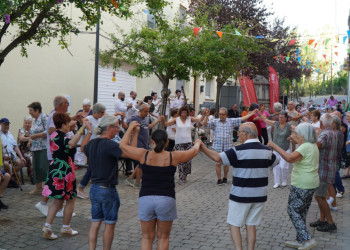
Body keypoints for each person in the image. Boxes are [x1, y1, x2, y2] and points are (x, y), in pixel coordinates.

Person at [120, 125, 201, 250]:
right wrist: (197, 142)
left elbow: (122, 146)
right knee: (163, 237)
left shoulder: (143, 154)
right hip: (166, 199)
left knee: (146, 237)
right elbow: (194, 151)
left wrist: (130, 128)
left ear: (151, 141)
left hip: (146, 199)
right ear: (167, 142)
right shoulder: (173, 156)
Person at [199, 122, 279, 250]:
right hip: (260, 195)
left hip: (240, 195)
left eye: (239, 133)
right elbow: (276, 161)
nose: (238, 136)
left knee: (234, 224)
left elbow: (217, 158)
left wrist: (203, 147)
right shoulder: (266, 150)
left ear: (245, 134)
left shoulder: (238, 150)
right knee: (251, 225)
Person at [81, 116, 131, 250]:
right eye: (116, 127)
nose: (117, 130)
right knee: (109, 223)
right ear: (109, 128)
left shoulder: (92, 144)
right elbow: (124, 148)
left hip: (94, 189)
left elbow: (82, 148)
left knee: (95, 222)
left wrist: (89, 132)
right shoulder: (110, 145)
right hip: (107, 189)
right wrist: (130, 129)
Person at [268, 123, 319, 250]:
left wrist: (275, 145)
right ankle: (300, 239)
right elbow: (299, 154)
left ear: (303, 135)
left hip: (302, 183)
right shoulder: (310, 145)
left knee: (293, 210)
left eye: (296, 133)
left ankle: (307, 239)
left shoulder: (306, 146)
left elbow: (290, 158)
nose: (294, 135)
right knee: (301, 211)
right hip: (310, 182)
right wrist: (295, 141)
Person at [42, 113, 90, 239]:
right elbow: (72, 144)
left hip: (55, 168)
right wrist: (82, 128)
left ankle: (47, 227)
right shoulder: (61, 136)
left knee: (57, 200)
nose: (69, 125)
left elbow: (69, 144)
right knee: (70, 199)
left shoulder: (54, 135)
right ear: (63, 124)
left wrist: (76, 127)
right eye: (67, 123)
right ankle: (66, 227)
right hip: (64, 170)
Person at [35, 95, 77, 218]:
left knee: (56, 181)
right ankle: (53, 207)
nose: (68, 105)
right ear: (61, 104)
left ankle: (49, 205)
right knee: (57, 181)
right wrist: (68, 127)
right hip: (59, 154)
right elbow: (51, 130)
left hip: (60, 154)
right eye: (67, 103)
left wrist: (72, 120)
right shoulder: (54, 116)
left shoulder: (57, 115)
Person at [203, 107, 256, 185]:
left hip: (228, 146)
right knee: (218, 163)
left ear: (226, 114)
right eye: (220, 114)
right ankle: (219, 179)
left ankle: (225, 178)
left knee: (226, 163)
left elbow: (241, 119)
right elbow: (205, 125)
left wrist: (251, 114)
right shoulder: (215, 121)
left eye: (223, 114)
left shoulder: (230, 121)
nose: (221, 116)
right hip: (217, 146)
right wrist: (206, 116)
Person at [163, 106, 208, 184]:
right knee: (180, 161)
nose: (184, 114)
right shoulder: (176, 120)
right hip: (179, 143)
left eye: (185, 112)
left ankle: (184, 176)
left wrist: (204, 114)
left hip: (188, 142)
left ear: (187, 113)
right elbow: (166, 124)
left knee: (187, 161)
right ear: (180, 113)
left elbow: (200, 120)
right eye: (182, 112)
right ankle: (181, 177)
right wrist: (162, 119)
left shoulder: (190, 119)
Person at [309, 113, 337, 232]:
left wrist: (307, 141)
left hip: (324, 169)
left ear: (321, 123)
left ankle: (330, 223)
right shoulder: (333, 132)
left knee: (319, 196)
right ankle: (321, 219)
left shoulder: (325, 134)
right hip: (328, 168)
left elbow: (318, 145)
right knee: (321, 195)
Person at [125, 104, 163, 188]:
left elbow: (148, 127)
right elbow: (126, 126)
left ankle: (131, 178)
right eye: (145, 111)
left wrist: (157, 120)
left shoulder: (145, 118)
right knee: (141, 163)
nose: (147, 113)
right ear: (141, 110)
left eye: (148, 111)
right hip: (138, 144)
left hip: (145, 143)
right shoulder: (135, 118)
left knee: (141, 162)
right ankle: (137, 182)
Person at [77, 103, 106, 199]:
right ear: (96, 112)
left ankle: (91, 188)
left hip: (97, 146)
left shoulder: (99, 119)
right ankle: (80, 188)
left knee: (93, 168)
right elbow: (83, 120)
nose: (103, 114)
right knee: (91, 168)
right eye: (101, 112)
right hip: (91, 146)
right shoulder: (89, 118)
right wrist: (84, 122)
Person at [261, 111, 294, 188]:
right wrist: (259, 114)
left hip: (285, 149)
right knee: (275, 166)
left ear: (286, 118)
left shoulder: (289, 126)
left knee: (283, 166)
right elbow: (266, 120)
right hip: (276, 149)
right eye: (279, 117)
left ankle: (285, 180)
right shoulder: (275, 124)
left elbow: (298, 130)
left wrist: (292, 137)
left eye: (282, 117)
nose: (280, 119)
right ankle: (277, 182)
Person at [28, 102, 50, 194]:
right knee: (36, 167)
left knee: (43, 167)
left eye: (31, 111)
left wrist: (36, 135)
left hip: (43, 147)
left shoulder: (44, 117)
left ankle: (48, 187)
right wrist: (29, 141)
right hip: (35, 147)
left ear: (37, 110)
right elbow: (32, 133)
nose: (30, 113)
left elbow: (48, 131)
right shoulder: (34, 120)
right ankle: (38, 187)